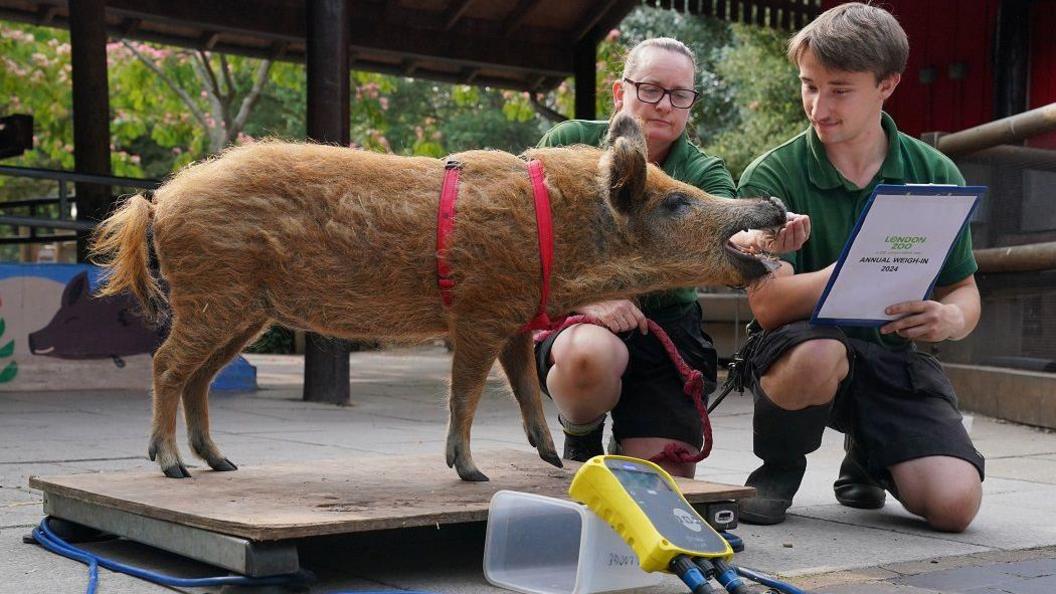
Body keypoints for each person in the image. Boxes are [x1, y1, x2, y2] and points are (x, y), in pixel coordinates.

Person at [735, 3, 984, 531]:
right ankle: (778, 467)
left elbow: (963, 288)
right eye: (808, 85)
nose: (818, 107)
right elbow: (767, 303)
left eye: (840, 89)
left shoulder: (935, 171)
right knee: (820, 350)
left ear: (887, 84)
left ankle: (869, 454)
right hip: (803, 347)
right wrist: (854, 272)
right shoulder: (772, 172)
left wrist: (951, 319)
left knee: (955, 506)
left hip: (893, 354)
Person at [534, 37, 808, 478]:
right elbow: (527, 236)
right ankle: (581, 431)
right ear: (620, 93)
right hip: (579, 320)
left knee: (665, 480)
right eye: (650, 89)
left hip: (667, 324)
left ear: (690, 104)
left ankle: (633, 435)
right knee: (589, 355)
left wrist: (768, 237)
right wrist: (587, 300)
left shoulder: (705, 171)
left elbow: (732, 234)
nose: (664, 105)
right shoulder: (569, 143)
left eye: (679, 95)